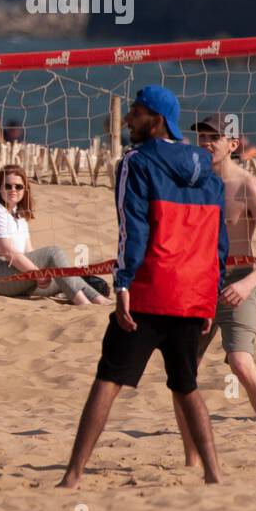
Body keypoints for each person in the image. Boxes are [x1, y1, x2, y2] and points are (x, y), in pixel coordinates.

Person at [58, 86, 228, 489]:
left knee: (109, 379)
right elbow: (219, 244)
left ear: (156, 119)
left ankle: (73, 475)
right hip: (192, 294)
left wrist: (122, 285)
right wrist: (210, 297)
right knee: (186, 386)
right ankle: (215, 475)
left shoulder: (135, 161)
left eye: (135, 112)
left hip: (150, 289)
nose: (128, 119)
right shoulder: (209, 170)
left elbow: (131, 229)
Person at [174, 115, 256, 465]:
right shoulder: (193, 183)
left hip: (239, 280)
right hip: (199, 284)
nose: (205, 143)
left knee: (241, 363)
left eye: (214, 138)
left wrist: (248, 283)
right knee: (183, 371)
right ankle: (193, 457)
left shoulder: (248, 186)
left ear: (233, 144)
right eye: (202, 137)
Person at [0, 165, 110, 306]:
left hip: (13, 272)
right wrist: (37, 274)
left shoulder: (19, 215)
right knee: (54, 253)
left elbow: (28, 252)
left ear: (25, 189)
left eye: (18, 187)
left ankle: (100, 300)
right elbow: (8, 252)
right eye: (8, 186)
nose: (13, 190)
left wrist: (41, 273)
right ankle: (84, 304)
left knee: (64, 276)